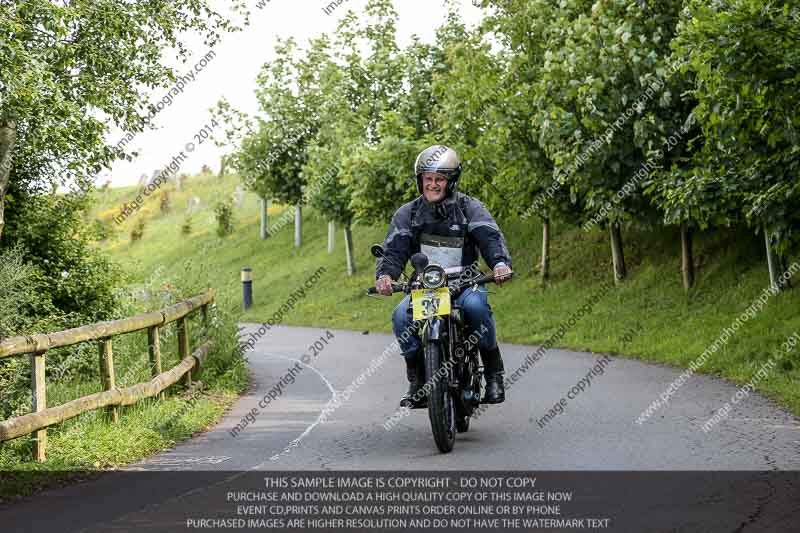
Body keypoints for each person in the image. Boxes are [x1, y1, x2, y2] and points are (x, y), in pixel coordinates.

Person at [374, 144, 512, 408]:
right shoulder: (408, 213)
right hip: (426, 287)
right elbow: (393, 250)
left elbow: (490, 237)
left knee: (476, 307)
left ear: (451, 181)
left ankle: (494, 374)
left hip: (466, 282)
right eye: (428, 179)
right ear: (420, 180)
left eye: (439, 179)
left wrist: (499, 264)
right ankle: (417, 380)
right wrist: (386, 276)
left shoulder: (470, 207)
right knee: (402, 316)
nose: (433, 185)